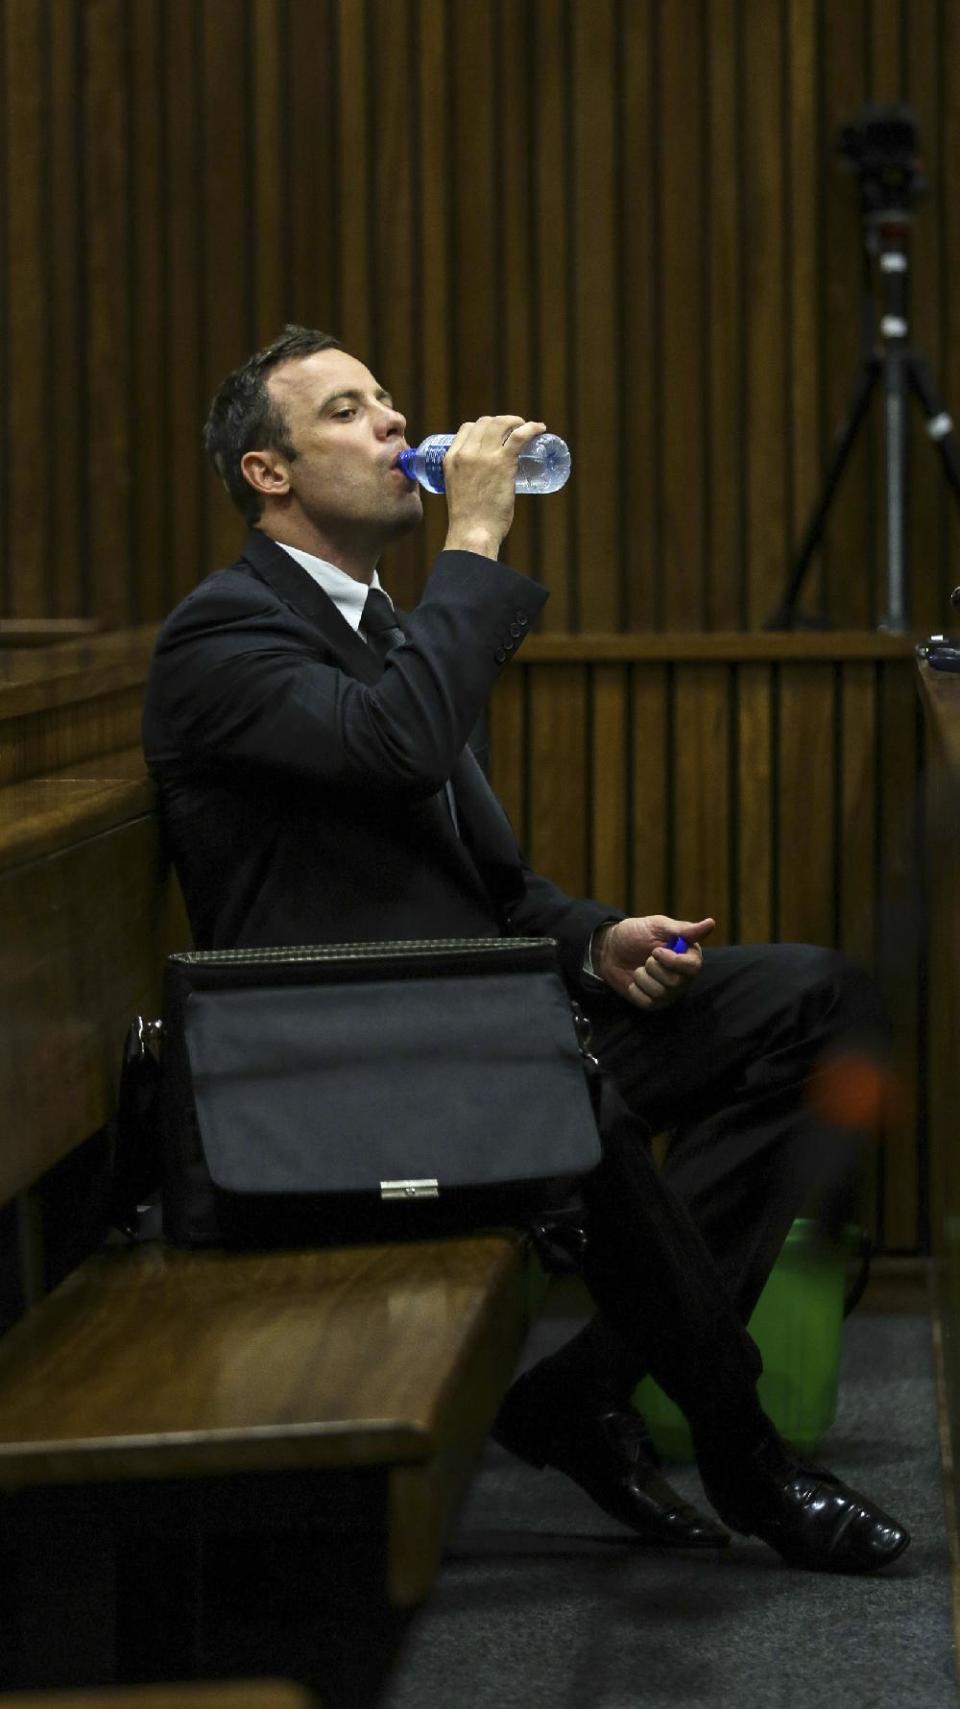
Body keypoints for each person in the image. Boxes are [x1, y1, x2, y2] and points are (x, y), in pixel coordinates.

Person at [143, 324, 909, 1573]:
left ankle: (580, 1392)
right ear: (265, 470)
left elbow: (486, 885)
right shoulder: (221, 639)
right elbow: (392, 746)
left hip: (471, 1030)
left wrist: (594, 939)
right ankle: (743, 1447)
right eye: (348, 410)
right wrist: (478, 542)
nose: (397, 424)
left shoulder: (392, 631)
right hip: (340, 1073)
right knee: (575, 1099)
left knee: (820, 1003)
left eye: (390, 400)